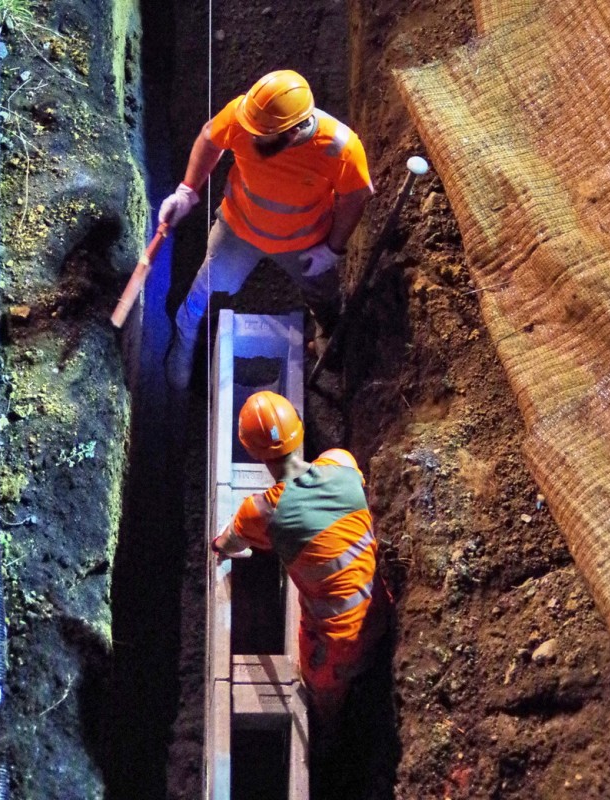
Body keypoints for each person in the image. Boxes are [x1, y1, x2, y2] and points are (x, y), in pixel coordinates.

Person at [158, 69, 374, 389]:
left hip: (304, 243)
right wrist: (187, 190)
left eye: (263, 135)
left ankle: (327, 336)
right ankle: (186, 337)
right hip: (239, 229)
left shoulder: (338, 146)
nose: (253, 137)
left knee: (324, 296)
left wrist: (332, 249)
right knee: (206, 288)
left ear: (294, 131)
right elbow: (209, 138)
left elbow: (357, 195)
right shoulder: (247, 117)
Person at [211, 390, 392, 732]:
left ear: (251, 451)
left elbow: (229, 543)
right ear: (300, 430)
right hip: (380, 614)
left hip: (340, 648)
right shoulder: (341, 462)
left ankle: (330, 731)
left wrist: (219, 546)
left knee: (321, 685)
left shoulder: (261, 511)